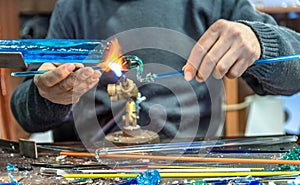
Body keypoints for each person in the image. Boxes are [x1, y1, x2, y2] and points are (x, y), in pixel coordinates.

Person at [11, 0, 300, 143]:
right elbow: (24, 112)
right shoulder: (75, 8)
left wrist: (260, 42)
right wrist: (48, 96)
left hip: (191, 169)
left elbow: (295, 70)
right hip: (93, 172)